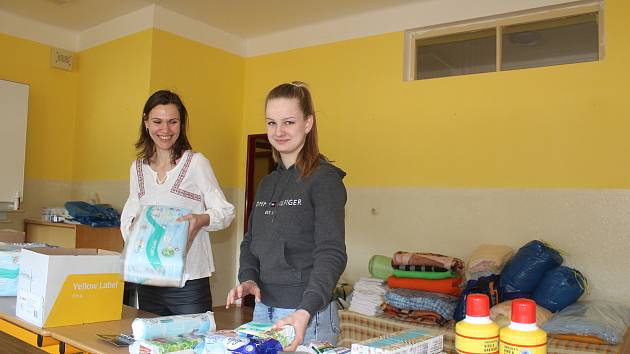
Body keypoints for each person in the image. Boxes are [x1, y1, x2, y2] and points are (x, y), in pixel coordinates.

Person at [226, 82, 347, 350]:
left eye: (289, 122)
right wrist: (248, 278)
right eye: (271, 123)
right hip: (263, 312)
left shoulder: (325, 180)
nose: (278, 132)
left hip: (308, 316)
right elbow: (251, 242)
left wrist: (304, 311)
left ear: (307, 124)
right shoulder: (267, 184)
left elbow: (332, 253)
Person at [121, 90, 235, 316]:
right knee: (153, 345)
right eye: (157, 122)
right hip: (148, 278)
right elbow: (128, 216)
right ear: (146, 123)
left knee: (192, 345)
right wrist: (134, 228)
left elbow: (225, 211)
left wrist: (201, 219)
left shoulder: (196, 163)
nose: (165, 130)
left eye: (173, 122)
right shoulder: (138, 169)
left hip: (189, 282)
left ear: (181, 125)